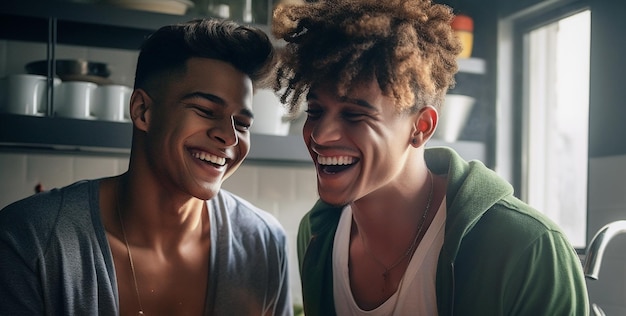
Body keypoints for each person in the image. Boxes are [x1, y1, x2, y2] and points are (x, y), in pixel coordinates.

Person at [271, 0, 589, 315]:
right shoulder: (317, 235)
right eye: (315, 111)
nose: (320, 135)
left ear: (421, 128)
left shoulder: (527, 249)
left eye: (354, 116)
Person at [0, 18, 293, 315]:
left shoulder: (264, 243)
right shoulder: (30, 240)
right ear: (143, 111)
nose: (229, 137)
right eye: (205, 111)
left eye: (242, 124)